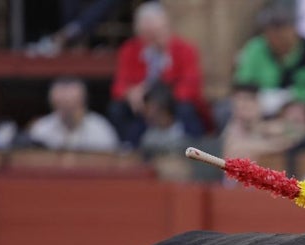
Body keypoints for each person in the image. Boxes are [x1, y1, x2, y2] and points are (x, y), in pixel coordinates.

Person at [108, 1, 206, 148]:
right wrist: (130, 93)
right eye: (149, 34)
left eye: (158, 31)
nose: (155, 38)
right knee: (117, 109)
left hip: (172, 100)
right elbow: (119, 86)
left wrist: (160, 98)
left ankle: (194, 151)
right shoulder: (130, 50)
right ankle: (128, 150)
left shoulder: (185, 49)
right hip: (141, 104)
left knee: (186, 109)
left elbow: (191, 86)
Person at [233, 4, 305, 112]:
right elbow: (242, 81)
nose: (276, 37)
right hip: (260, 106)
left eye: (282, 30)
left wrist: (296, 97)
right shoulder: (256, 48)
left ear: (294, 30)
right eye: (271, 32)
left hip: (301, 109)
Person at [26, 78, 119, 152]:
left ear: (83, 103)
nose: (67, 110)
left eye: (73, 105)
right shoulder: (41, 129)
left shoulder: (100, 129)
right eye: (61, 105)